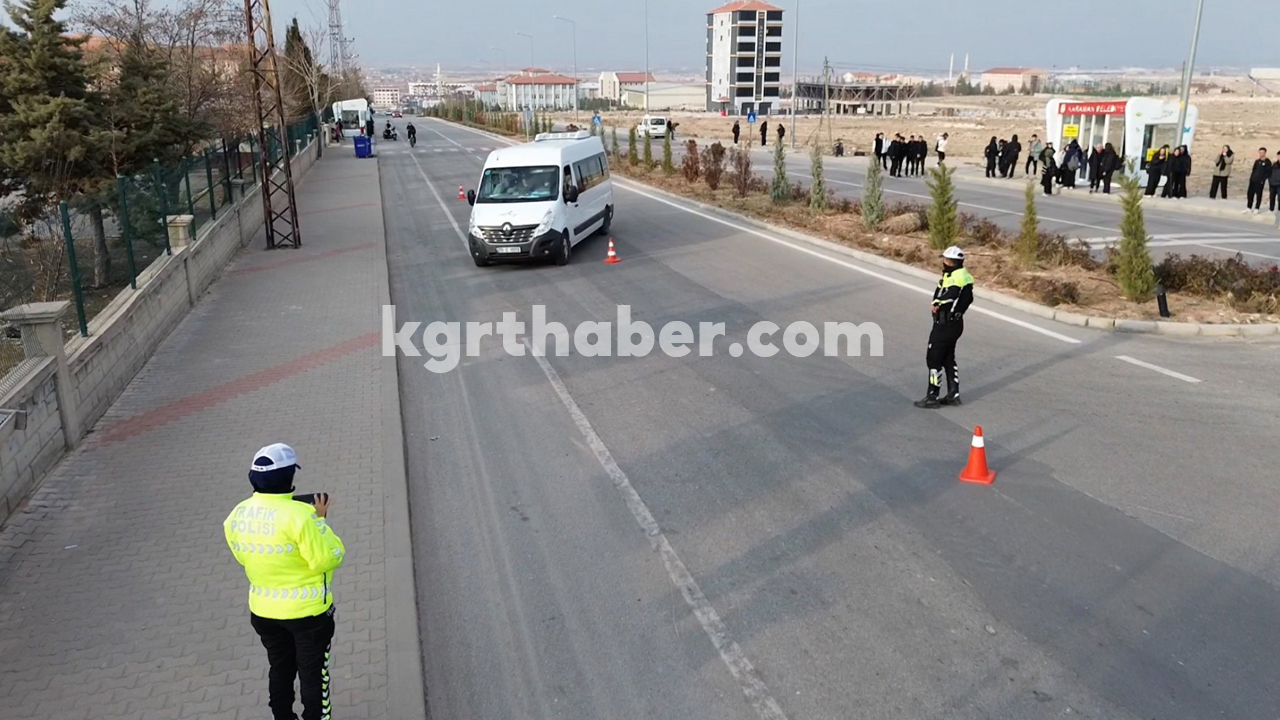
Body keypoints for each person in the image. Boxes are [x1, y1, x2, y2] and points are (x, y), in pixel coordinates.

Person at [225, 444, 346, 720]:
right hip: (309, 616)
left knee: (279, 667)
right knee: (314, 675)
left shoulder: (237, 514)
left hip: (263, 613)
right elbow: (329, 558)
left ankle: (281, 716)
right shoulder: (303, 517)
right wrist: (321, 521)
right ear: (289, 477)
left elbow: (243, 557)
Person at [915, 246, 974, 409]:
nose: (943, 262)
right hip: (954, 324)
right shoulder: (961, 275)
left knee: (933, 358)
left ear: (951, 262)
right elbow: (964, 297)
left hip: (945, 324)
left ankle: (932, 396)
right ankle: (953, 395)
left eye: (946, 260)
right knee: (948, 357)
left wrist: (938, 305)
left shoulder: (956, 277)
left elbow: (951, 295)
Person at [1245, 147, 1271, 213]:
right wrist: (1251, 178)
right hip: (1253, 180)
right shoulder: (1257, 161)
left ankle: (1257, 208)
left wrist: (1262, 180)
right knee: (1250, 194)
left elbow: (1268, 172)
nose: (1261, 154)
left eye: (1262, 152)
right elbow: (1253, 170)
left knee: (1258, 195)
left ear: (1265, 153)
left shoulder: (1267, 162)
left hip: (1260, 182)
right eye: (1260, 152)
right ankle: (1249, 207)